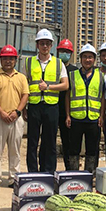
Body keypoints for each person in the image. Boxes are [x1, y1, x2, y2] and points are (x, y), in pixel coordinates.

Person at [24, 28, 69, 173]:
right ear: (37, 45)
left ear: (51, 45)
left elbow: (65, 85)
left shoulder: (58, 63)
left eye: (47, 43)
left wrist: (48, 87)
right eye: (42, 43)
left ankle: (48, 171)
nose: (45, 46)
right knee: (32, 141)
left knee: (49, 141)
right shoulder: (29, 62)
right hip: (34, 106)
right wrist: (24, 108)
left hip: (51, 106)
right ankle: (32, 171)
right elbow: (24, 86)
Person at [0, 45, 29, 192]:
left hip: (16, 118)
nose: (8, 61)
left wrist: (17, 111)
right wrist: (2, 112)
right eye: (5, 58)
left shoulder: (21, 77)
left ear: (15, 60)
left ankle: (13, 178)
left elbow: (25, 95)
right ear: (0, 60)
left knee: (15, 150)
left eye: (11, 58)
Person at [65, 44, 103, 173]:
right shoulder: (72, 75)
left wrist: (101, 116)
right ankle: (74, 173)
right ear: (80, 59)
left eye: (90, 57)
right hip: (76, 119)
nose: (88, 60)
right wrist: (68, 115)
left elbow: (102, 97)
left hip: (93, 119)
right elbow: (68, 96)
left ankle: (90, 174)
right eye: (85, 57)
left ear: (94, 59)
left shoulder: (100, 76)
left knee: (92, 149)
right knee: (74, 149)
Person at [56, 39, 78, 170]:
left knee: (68, 143)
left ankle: (69, 169)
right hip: (53, 110)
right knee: (49, 142)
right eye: (62, 51)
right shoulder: (53, 67)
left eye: (67, 51)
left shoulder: (75, 71)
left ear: (71, 53)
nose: (64, 53)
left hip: (68, 113)